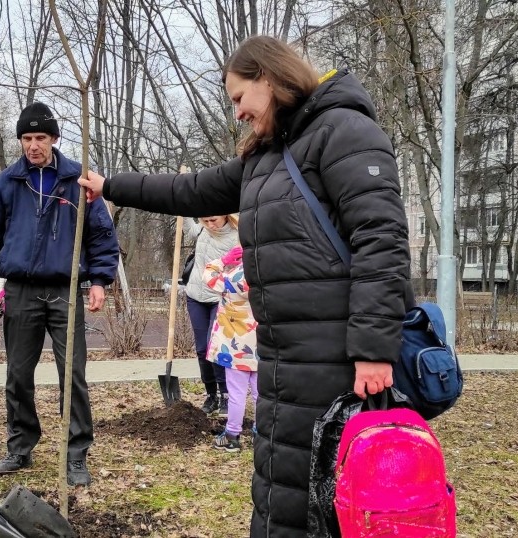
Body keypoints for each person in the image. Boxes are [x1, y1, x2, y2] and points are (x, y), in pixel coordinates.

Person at [78, 36, 410, 536]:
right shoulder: (268, 155)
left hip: (337, 364)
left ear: (270, 79)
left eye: (239, 98)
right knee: (282, 494)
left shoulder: (345, 132)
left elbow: (381, 241)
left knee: (335, 502)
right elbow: (189, 190)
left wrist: (373, 350)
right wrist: (111, 186)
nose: (236, 113)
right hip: (281, 361)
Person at [0, 101, 120, 488]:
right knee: (18, 374)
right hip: (19, 290)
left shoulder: (77, 181)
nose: (33, 145)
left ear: (54, 139)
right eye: (26, 138)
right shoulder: (7, 183)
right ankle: (21, 446)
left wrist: (101, 281)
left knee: (72, 374)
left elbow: (102, 236)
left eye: (40, 137)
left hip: (65, 290)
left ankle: (75, 454)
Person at [202, 245, 258, 453]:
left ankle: (232, 435)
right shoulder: (264, 275)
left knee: (236, 393)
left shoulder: (230, 278)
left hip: (234, 346)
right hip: (260, 344)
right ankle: (260, 433)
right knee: (261, 394)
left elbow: (208, 273)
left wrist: (223, 261)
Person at [184, 215, 239, 417]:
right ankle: (211, 395)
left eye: (213, 220)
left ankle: (225, 394)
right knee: (200, 349)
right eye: (205, 221)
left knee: (213, 347)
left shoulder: (237, 237)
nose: (210, 225)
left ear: (225, 215)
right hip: (195, 296)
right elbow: (188, 224)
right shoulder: (201, 230)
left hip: (220, 298)